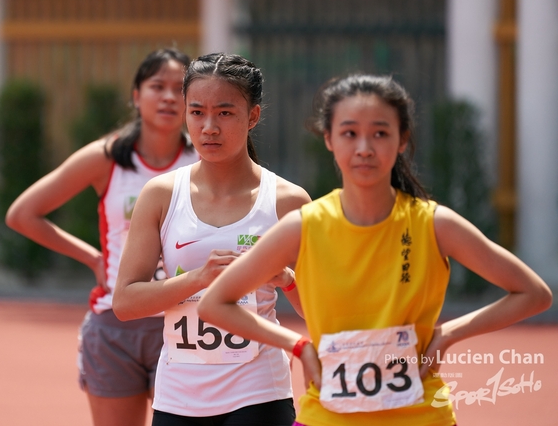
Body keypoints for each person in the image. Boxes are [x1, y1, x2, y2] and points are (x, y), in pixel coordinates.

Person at [198, 74, 553, 426]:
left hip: (421, 418)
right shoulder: (303, 226)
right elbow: (215, 303)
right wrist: (298, 346)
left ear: (402, 140)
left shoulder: (434, 224)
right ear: (329, 138)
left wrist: (448, 333)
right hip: (327, 417)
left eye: (380, 133)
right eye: (350, 133)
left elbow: (533, 294)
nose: (364, 148)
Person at [112, 53, 311, 426]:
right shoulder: (160, 195)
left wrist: (287, 279)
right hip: (178, 396)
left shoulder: (288, 201)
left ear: (252, 116)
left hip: (259, 391)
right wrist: (198, 279)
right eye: (197, 112)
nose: (209, 127)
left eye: (224, 113)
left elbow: (318, 311)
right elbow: (125, 302)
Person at [6, 48, 200, 426]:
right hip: (115, 324)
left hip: (185, 323)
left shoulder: (204, 160)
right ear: (135, 95)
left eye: (179, 89)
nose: (168, 97)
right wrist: (93, 258)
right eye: (156, 86)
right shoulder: (107, 157)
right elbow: (22, 215)